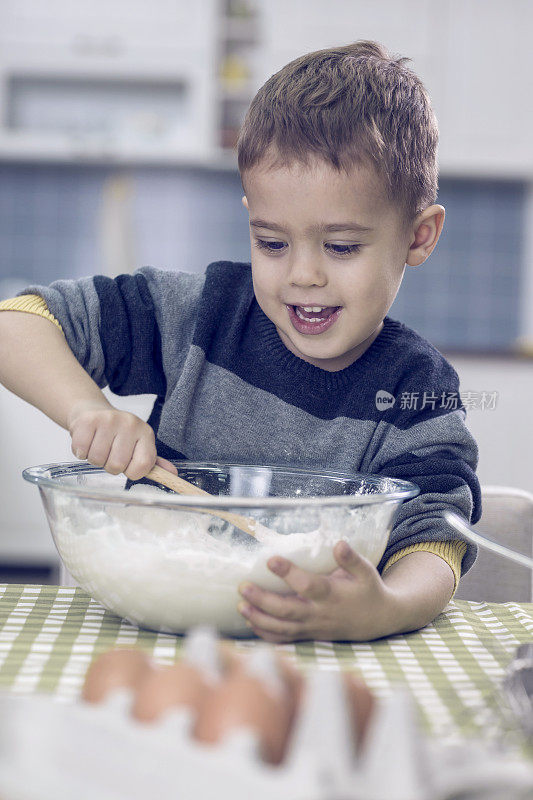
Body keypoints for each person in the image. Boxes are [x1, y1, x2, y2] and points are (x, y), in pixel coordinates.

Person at [0, 40, 481, 642]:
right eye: (272, 243)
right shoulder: (202, 314)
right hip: (151, 626)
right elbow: (15, 320)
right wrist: (87, 409)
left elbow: (436, 539)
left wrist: (385, 606)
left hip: (312, 651)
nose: (303, 274)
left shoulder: (416, 388)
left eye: (340, 247)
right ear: (250, 216)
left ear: (418, 236)